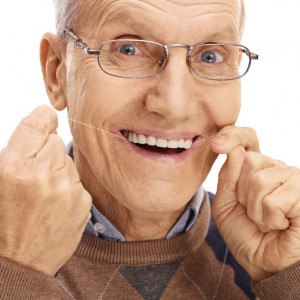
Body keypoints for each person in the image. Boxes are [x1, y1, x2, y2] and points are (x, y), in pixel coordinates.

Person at [1, 0, 300, 299]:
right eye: (128, 49)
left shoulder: (279, 256)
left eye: (210, 56)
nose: (174, 106)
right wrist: (16, 271)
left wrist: (289, 277)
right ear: (57, 71)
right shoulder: (9, 255)